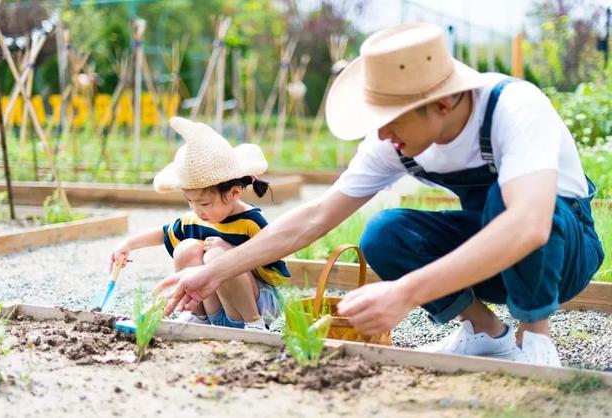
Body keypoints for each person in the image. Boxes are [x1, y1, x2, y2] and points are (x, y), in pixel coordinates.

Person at [155, 23, 604, 366]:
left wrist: (405, 293)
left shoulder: (514, 108)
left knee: (509, 205)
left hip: (564, 251)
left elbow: (527, 223)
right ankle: (487, 334)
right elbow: (316, 216)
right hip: (495, 248)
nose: (382, 132)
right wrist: (215, 273)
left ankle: (536, 339)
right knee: (386, 233)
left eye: (391, 119)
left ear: (443, 104)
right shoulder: (393, 141)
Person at [110, 117, 289, 331]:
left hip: (257, 306)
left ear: (233, 193)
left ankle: (255, 325)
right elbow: (164, 233)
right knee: (186, 248)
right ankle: (199, 316)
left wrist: (232, 253)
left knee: (216, 255)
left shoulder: (251, 221)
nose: (196, 210)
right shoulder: (197, 217)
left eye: (204, 202)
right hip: (217, 308)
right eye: (190, 201)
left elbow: (275, 272)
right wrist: (128, 244)